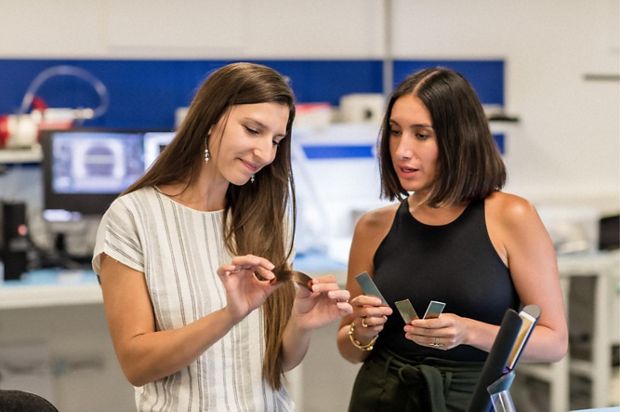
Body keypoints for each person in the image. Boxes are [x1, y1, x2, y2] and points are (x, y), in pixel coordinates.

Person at [92, 62, 352, 411]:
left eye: (276, 141)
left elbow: (278, 362)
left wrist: (300, 324)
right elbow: (137, 365)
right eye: (252, 130)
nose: (265, 153)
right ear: (210, 119)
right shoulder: (133, 217)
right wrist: (229, 315)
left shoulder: (268, 218)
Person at [336, 67, 568, 411]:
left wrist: (470, 332)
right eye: (395, 132)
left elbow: (554, 342)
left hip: (470, 399)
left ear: (459, 138)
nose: (402, 150)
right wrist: (363, 330)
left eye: (421, 135)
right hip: (381, 396)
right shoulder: (373, 227)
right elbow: (350, 349)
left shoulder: (511, 216)